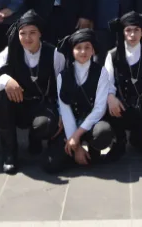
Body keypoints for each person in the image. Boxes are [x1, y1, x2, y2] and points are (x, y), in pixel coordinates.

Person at [0, 9, 65, 174]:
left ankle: (36, 137)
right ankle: (10, 154)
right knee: (0, 97)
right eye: (23, 33)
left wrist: (62, 116)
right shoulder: (9, 52)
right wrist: (6, 80)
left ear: (40, 34)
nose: (27, 38)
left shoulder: (55, 54)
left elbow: (62, 88)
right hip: (18, 105)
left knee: (45, 125)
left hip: (42, 105)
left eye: (32, 33)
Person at [45, 27, 114, 173]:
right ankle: (76, 152)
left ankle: (89, 146)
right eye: (78, 48)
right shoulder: (63, 76)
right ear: (72, 51)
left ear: (93, 50)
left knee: (103, 132)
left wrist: (77, 136)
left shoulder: (101, 72)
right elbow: (65, 109)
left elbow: (100, 108)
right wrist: (75, 145)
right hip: (69, 125)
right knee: (51, 165)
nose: (83, 52)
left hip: (91, 123)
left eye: (87, 47)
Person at [103, 11, 142, 163]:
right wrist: (111, 97)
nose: (132, 34)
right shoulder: (112, 55)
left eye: (136, 30)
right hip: (121, 110)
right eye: (128, 30)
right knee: (108, 104)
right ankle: (119, 140)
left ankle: (138, 137)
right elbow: (106, 83)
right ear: (123, 33)